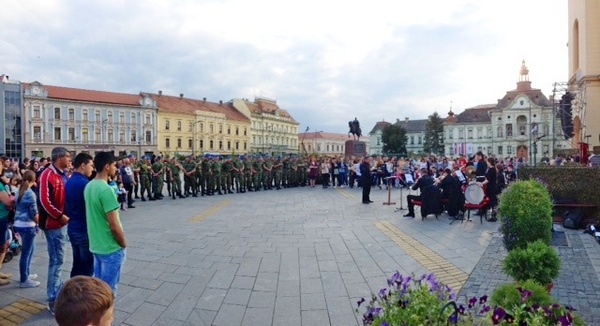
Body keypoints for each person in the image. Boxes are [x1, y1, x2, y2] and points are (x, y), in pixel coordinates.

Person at [84, 152, 127, 297]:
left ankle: (96, 317)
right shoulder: (106, 190)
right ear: (107, 166)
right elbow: (114, 225)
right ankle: (103, 319)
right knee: (108, 291)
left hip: (96, 244)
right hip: (110, 246)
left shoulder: (89, 186)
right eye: (115, 165)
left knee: (99, 288)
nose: (116, 169)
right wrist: (122, 243)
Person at [38, 147, 71, 314]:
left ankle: (57, 287)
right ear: (59, 157)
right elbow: (44, 201)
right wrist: (59, 216)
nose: (69, 159)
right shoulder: (47, 174)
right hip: (54, 224)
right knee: (56, 261)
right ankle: (53, 298)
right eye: (68, 156)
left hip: (61, 224)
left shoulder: (62, 174)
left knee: (59, 260)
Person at [65, 152, 95, 278]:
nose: (92, 169)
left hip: (73, 227)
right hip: (84, 229)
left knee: (77, 264)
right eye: (91, 165)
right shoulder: (85, 184)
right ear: (83, 165)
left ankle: (72, 292)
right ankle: (83, 296)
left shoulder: (70, 181)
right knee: (86, 267)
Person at [13, 170, 40, 288]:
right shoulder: (30, 194)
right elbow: (34, 214)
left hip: (18, 223)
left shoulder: (19, 190)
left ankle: (26, 274)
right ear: (34, 180)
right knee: (26, 253)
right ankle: (24, 279)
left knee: (30, 250)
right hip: (28, 225)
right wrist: (40, 222)